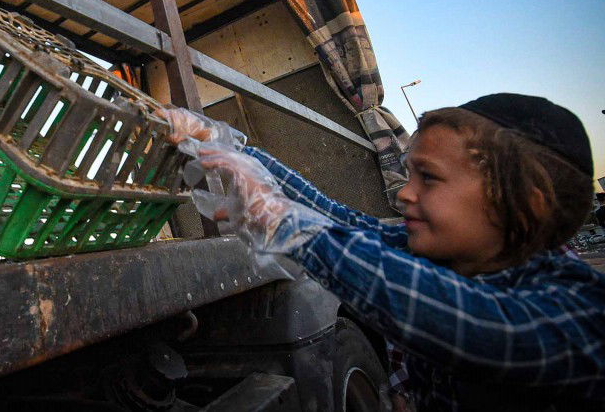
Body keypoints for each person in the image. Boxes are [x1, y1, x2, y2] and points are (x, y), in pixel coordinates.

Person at [162, 94, 604, 411]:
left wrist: (286, 224)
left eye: (427, 178)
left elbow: (472, 325)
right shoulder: (444, 255)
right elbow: (339, 222)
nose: (404, 195)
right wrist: (225, 146)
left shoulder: (576, 311)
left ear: (525, 200)